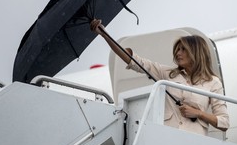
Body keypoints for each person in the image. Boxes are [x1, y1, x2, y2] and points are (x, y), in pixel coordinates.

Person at [90, 19, 229, 136]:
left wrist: (199, 113)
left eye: (184, 49)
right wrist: (105, 35)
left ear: (196, 53)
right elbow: (135, 61)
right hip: (166, 139)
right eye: (178, 49)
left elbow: (224, 122)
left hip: (194, 142)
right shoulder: (167, 74)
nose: (178, 53)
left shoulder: (213, 82)